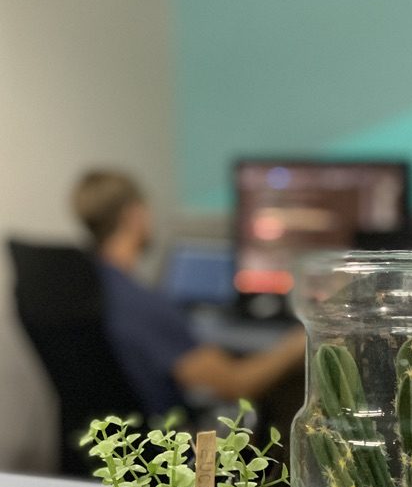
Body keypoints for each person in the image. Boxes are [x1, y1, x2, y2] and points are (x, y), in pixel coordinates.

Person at [71, 169, 306, 420]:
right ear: (134, 215)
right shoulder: (141, 305)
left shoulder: (83, 289)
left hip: (115, 440)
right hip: (170, 445)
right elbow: (236, 384)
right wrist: (300, 341)